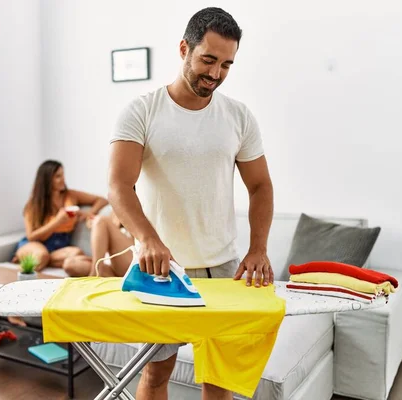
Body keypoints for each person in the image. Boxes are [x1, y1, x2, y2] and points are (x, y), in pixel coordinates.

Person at [107, 7, 274, 400]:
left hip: (225, 267)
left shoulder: (238, 116)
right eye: (208, 60)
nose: (215, 73)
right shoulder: (141, 111)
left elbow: (261, 185)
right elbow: (118, 185)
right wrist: (146, 239)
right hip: (162, 269)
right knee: (156, 374)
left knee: (220, 379)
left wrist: (259, 248)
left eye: (227, 64)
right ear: (184, 48)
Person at [12, 159, 108, 277]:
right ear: (47, 180)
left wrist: (88, 213)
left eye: (63, 175)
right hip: (36, 243)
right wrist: (57, 222)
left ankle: (35, 259)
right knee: (41, 254)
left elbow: (102, 200)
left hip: (58, 246)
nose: (63, 179)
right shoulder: (33, 204)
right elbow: (31, 236)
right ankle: (27, 262)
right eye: (58, 176)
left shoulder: (71, 195)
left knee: (76, 254)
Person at [87, 211, 134, 277]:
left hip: (131, 260)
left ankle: (95, 274)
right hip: (110, 264)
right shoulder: (114, 212)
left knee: (100, 220)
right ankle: (112, 278)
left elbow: (138, 243)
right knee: (71, 264)